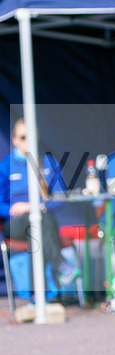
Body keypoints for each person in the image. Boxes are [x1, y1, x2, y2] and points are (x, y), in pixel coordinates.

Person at [0, 118, 76, 294]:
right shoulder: (5, 167)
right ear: (15, 140)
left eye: (32, 136)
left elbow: (60, 197)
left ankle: (38, 297)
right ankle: (62, 266)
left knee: (39, 227)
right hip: (15, 223)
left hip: (43, 220)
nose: (28, 141)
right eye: (23, 137)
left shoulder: (48, 162)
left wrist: (37, 206)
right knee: (39, 222)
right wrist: (16, 208)